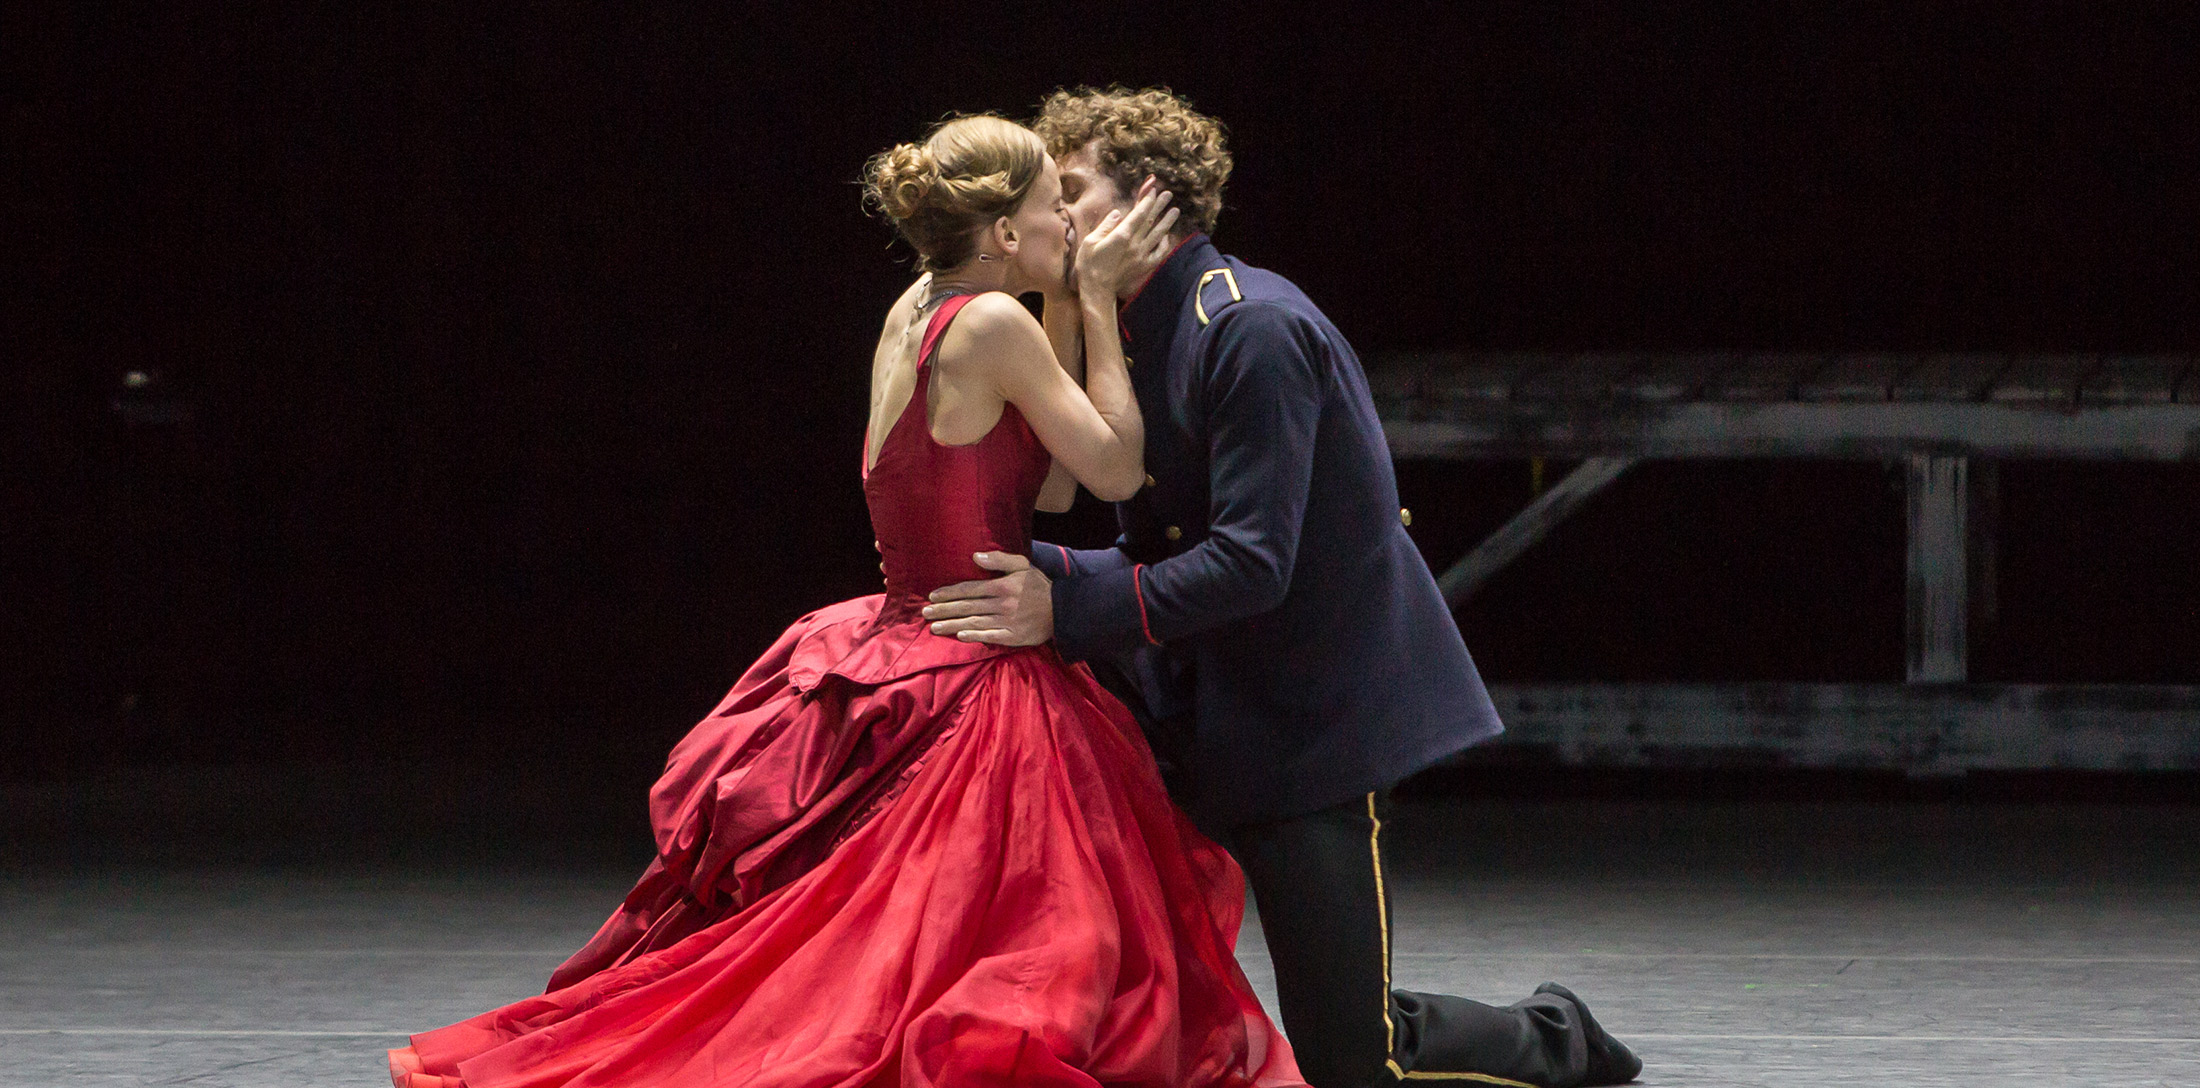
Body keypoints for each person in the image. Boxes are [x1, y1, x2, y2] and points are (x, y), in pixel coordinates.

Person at [385, 114, 1309, 1088]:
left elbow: (1045, 492)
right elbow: (1117, 471)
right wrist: (1082, 296)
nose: (1071, 230)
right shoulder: (992, 324)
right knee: (1004, 940)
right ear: (1003, 231)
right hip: (970, 669)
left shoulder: (922, 306)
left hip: (902, 636)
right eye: (1052, 210)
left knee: (905, 936)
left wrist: (1068, 311)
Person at [921, 87, 1643, 1088]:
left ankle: (1554, 1034)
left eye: (1072, 189)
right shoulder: (1128, 325)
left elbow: (1251, 562)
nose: (1051, 215)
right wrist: (1011, 565)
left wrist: (1065, 596)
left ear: (1148, 205)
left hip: (1306, 722)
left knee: (1355, 1060)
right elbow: (1140, 526)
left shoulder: (1249, 329)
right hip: (1199, 709)